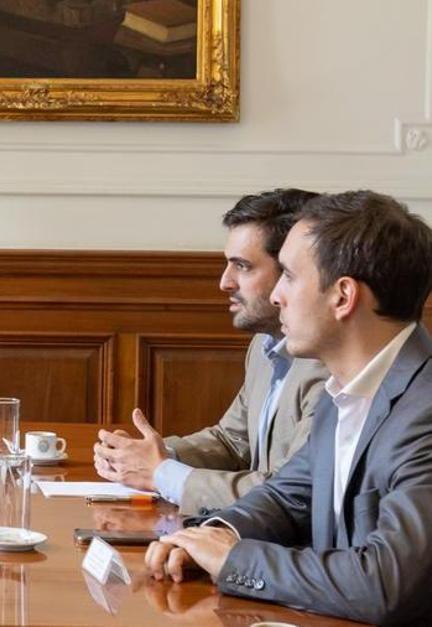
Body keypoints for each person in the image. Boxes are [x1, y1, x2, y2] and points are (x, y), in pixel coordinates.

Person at [145, 191, 432, 624]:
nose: (276, 295)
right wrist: (210, 536)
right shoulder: (346, 388)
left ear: (343, 297)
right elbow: (289, 496)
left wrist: (236, 561)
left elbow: (387, 583)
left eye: (290, 277)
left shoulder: (424, 409)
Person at [93, 189, 327, 513]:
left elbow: (286, 493)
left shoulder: (328, 365)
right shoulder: (266, 343)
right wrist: (152, 455)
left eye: (242, 266)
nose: (224, 282)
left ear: (293, 270)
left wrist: (162, 474)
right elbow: (232, 440)